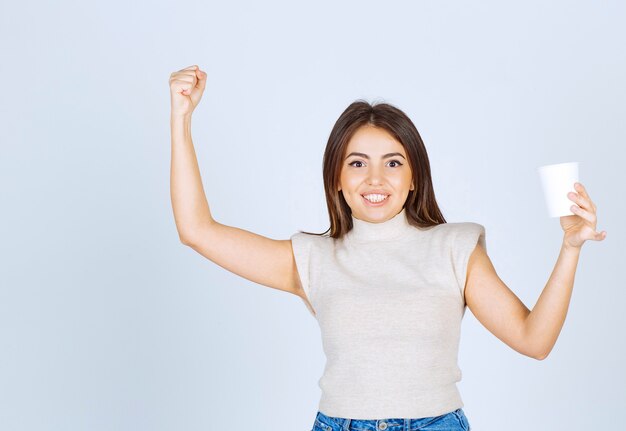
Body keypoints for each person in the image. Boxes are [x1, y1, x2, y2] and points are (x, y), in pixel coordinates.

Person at [169, 64, 607, 431]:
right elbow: (196, 230)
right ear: (337, 179)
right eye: (357, 163)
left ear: (414, 175)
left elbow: (535, 341)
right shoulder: (311, 259)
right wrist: (181, 117)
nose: (375, 179)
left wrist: (570, 248)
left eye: (393, 163)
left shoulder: (455, 247)